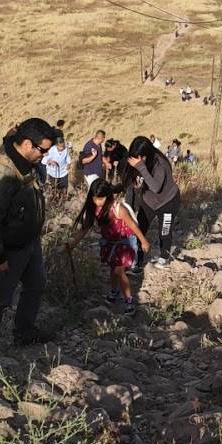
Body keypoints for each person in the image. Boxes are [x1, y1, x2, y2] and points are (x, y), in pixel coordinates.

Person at [0, 117, 57, 349]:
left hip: (30, 242)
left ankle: (24, 332)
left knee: (36, 285)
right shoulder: (1, 173)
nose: (45, 155)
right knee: (1, 298)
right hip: (8, 250)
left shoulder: (24, 159)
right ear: (28, 144)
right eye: (43, 150)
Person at [69, 180, 150, 320]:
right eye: (95, 198)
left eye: (101, 198)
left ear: (108, 196)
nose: (98, 201)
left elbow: (133, 225)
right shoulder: (94, 208)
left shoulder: (118, 209)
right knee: (113, 269)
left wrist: (143, 241)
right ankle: (114, 291)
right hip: (110, 243)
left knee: (119, 270)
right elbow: (85, 228)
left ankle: (129, 300)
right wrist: (72, 244)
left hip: (125, 242)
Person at [127, 136, 180, 266]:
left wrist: (141, 167)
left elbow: (156, 187)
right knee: (139, 229)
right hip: (149, 201)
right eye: (136, 157)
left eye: (141, 157)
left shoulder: (160, 163)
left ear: (147, 154)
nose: (138, 160)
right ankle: (137, 260)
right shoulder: (137, 161)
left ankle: (165, 256)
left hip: (168, 201)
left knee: (164, 231)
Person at [44, 133, 72, 207]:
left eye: (63, 146)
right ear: (56, 145)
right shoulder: (51, 150)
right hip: (53, 173)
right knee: (54, 188)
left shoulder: (65, 149)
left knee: (64, 187)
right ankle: (54, 202)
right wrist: (50, 161)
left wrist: (69, 164)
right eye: (60, 147)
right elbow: (43, 160)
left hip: (63, 172)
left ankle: (63, 201)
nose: (62, 148)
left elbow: (67, 157)